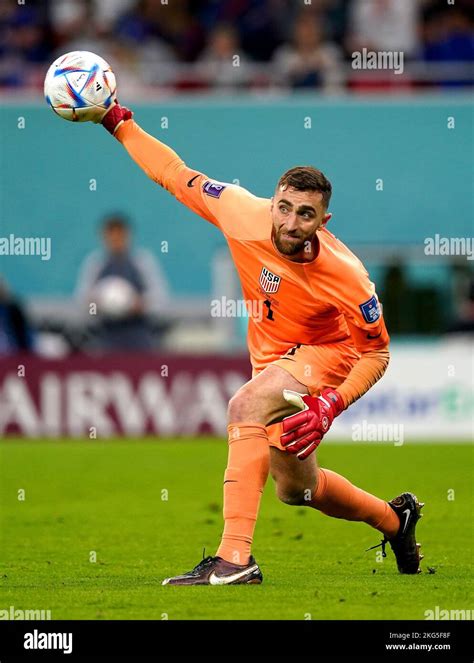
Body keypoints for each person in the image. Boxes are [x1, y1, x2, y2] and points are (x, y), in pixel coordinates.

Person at [87, 100, 424, 584]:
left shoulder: (349, 278)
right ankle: (396, 521)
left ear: (323, 223)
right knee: (297, 490)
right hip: (272, 360)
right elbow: (173, 174)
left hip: (329, 356)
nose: (290, 222)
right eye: (284, 207)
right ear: (273, 201)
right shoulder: (242, 212)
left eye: (305, 215)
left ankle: (234, 561)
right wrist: (116, 121)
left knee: (245, 405)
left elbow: (377, 351)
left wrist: (333, 403)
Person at [75, 214, 169, 351]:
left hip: (140, 335)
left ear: (128, 235)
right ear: (104, 237)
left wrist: (140, 304)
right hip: (105, 336)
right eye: (111, 235)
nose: (116, 240)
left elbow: (160, 298)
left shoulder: (143, 261)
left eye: (120, 235)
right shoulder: (95, 264)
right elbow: (81, 300)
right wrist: (96, 304)